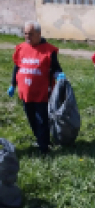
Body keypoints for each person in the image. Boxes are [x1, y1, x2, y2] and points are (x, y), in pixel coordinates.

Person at [7, 21, 66, 154]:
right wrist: (12, 84)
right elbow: (17, 67)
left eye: (30, 34)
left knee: (41, 120)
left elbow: (55, 68)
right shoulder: (21, 48)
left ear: (39, 34)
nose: (27, 36)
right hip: (26, 93)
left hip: (42, 94)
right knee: (31, 118)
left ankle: (44, 148)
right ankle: (40, 139)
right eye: (25, 33)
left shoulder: (49, 50)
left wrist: (59, 76)